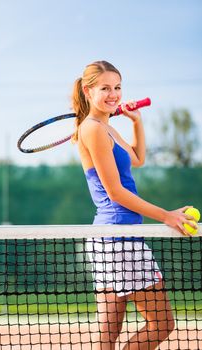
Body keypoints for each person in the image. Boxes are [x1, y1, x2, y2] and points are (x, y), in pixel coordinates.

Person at [71, 60, 196, 350]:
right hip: (118, 237)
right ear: (88, 91)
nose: (114, 94)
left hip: (111, 238)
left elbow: (137, 159)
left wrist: (137, 122)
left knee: (109, 332)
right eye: (105, 88)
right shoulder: (92, 129)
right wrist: (165, 215)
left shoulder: (107, 128)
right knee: (162, 324)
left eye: (117, 87)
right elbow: (115, 192)